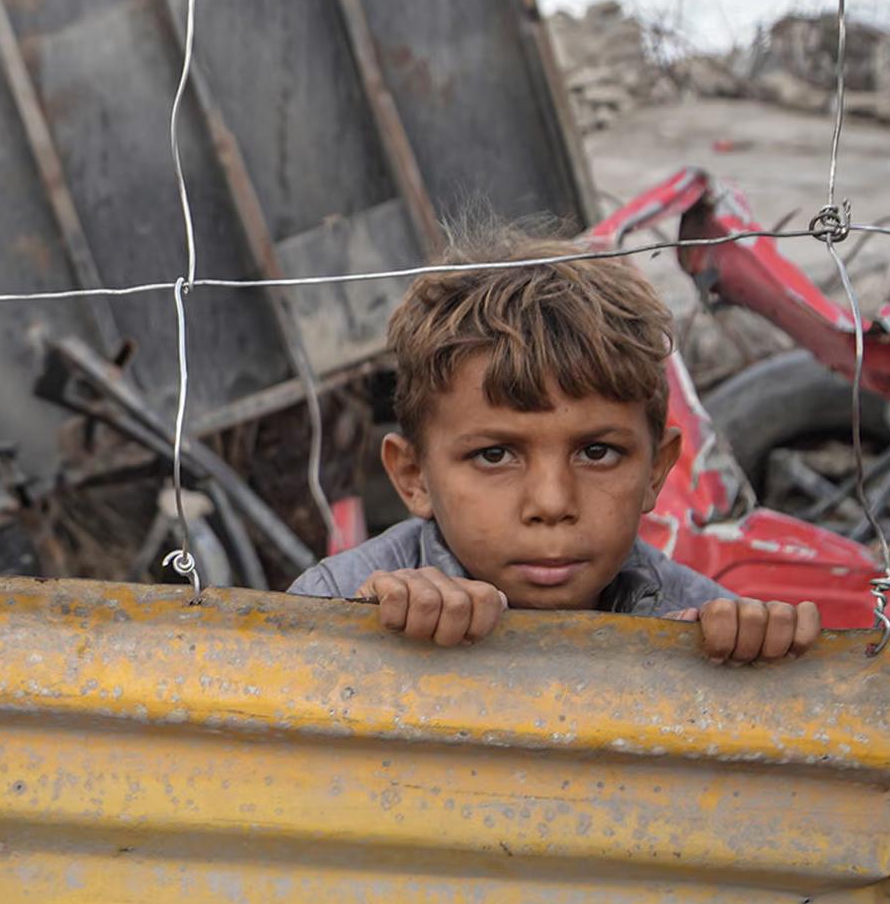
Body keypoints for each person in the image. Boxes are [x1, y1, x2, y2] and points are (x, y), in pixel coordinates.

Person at [289, 238, 823, 663]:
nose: (551, 502)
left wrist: (759, 673)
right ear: (413, 477)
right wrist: (360, 641)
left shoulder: (699, 628)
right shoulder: (338, 601)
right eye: (495, 455)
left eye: (597, 452)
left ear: (657, 471)